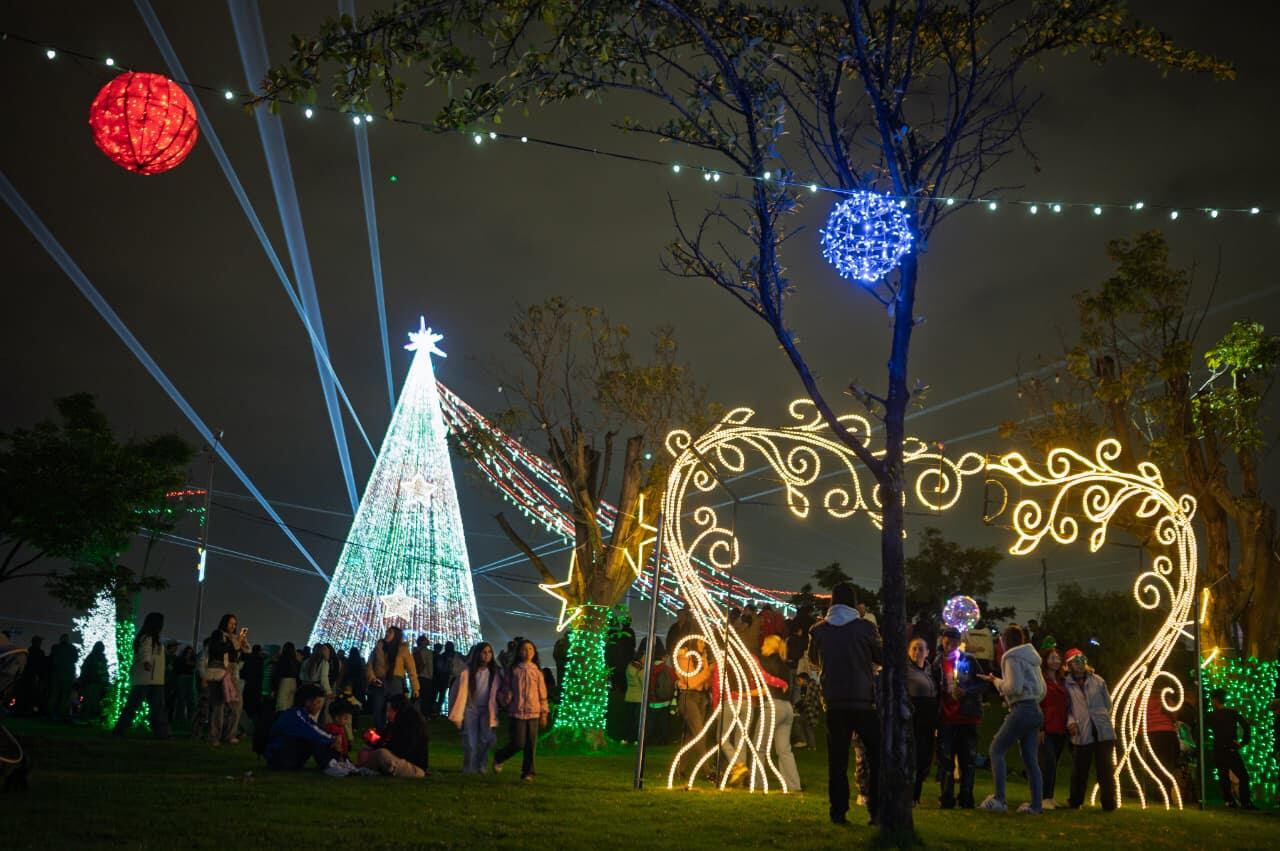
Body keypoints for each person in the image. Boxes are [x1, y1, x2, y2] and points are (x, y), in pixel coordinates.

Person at [809, 581, 882, 826]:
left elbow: (812, 659)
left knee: (837, 760)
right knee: (875, 755)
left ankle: (838, 811)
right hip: (863, 700)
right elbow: (880, 656)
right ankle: (876, 809)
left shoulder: (819, 630)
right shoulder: (865, 628)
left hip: (834, 701)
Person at [977, 624, 1046, 814]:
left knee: (996, 749)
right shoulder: (1032, 658)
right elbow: (1042, 688)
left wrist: (998, 684)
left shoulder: (1011, 658)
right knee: (1030, 759)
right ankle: (1036, 805)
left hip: (1021, 709)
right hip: (1035, 709)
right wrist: (995, 680)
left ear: (1003, 641)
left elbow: (1013, 687)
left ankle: (1000, 799)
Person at [932, 626, 984, 809]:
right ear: (942, 640)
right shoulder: (937, 663)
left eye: (955, 641)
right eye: (948, 640)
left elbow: (982, 683)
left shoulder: (968, 660)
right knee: (946, 761)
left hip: (966, 717)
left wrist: (967, 691)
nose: (951, 644)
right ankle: (946, 798)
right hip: (946, 719)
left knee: (968, 761)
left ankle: (966, 797)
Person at [1063, 648, 1117, 811]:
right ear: (1069, 665)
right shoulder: (1066, 684)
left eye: (1082, 661)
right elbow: (1066, 707)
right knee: (1080, 768)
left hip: (1102, 730)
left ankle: (1109, 803)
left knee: (1105, 769)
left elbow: (1108, 704)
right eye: (1075, 662)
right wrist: (1071, 721)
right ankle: (1075, 801)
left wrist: (1100, 717)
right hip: (1082, 729)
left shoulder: (1098, 680)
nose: (1080, 665)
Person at [263, 683, 356, 777]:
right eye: (318, 702)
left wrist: (333, 737)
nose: (320, 706)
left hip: (285, 757)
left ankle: (338, 763)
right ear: (308, 702)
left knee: (322, 738)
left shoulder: (302, 715)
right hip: (279, 759)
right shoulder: (295, 716)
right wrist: (333, 738)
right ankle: (331, 766)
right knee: (318, 739)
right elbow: (313, 732)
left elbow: (316, 728)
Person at [493, 639, 549, 781]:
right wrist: (506, 698)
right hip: (516, 712)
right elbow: (505, 688)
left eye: (530, 649)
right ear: (519, 652)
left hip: (534, 712)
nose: (527, 652)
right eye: (524, 649)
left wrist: (544, 712)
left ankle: (528, 772)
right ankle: (500, 756)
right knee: (518, 743)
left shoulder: (537, 672)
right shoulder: (513, 671)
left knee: (531, 744)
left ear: (534, 652)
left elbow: (542, 693)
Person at [112, 612, 171, 738]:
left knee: (142, 707)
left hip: (151, 679)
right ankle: (160, 733)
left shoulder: (150, 638)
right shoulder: (148, 638)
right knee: (151, 708)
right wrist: (147, 662)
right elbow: (145, 651)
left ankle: (160, 733)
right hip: (148, 679)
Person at [449, 641, 500, 773]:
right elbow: (457, 691)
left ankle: (481, 764)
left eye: (489, 652)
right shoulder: (467, 672)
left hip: (486, 710)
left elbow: (499, 691)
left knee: (486, 739)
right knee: (470, 742)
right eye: (484, 652)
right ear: (477, 654)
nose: (487, 655)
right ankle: (469, 767)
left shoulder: (494, 672)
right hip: (471, 709)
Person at [671, 623, 713, 781]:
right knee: (700, 735)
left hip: (701, 698)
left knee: (691, 736)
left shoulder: (702, 657)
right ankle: (708, 771)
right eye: (701, 642)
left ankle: (680, 769)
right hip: (688, 698)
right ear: (693, 641)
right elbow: (692, 682)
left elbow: (706, 682)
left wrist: (705, 663)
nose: (703, 644)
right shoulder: (684, 657)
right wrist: (707, 671)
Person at [760, 634, 802, 792]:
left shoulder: (768, 662)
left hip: (772, 706)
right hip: (787, 708)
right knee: (784, 749)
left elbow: (764, 679)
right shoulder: (784, 664)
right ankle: (793, 784)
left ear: (771, 646)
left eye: (764, 644)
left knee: (760, 746)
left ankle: (756, 783)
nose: (762, 647)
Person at [1207, 688, 1256, 809]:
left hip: (1220, 749)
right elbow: (1246, 726)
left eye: (1212, 700)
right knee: (1243, 776)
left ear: (1215, 700)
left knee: (1224, 776)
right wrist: (1243, 742)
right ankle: (1245, 801)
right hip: (1230, 749)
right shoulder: (1232, 713)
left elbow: (1202, 728)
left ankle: (1230, 801)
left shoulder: (1211, 715)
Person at [359, 693, 429, 778]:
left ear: (398, 710)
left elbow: (401, 750)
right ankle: (367, 767)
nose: (387, 715)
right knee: (365, 750)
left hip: (413, 767)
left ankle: (364, 767)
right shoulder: (393, 723)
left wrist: (378, 749)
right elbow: (384, 742)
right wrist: (372, 743)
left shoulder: (411, 724)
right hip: (397, 759)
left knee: (381, 754)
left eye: (390, 711)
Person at [205, 614, 249, 746]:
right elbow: (216, 650)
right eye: (230, 623)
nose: (233, 626)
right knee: (219, 704)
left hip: (233, 672)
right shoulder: (218, 634)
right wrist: (233, 645)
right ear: (224, 623)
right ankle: (214, 736)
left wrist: (242, 642)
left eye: (235, 624)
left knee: (236, 705)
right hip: (221, 670)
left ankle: (229, 734)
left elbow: (247, 651)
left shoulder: (235, 637)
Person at [906, 637, 937, 805]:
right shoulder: (906, 670)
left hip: (929, 717)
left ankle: (916, 794)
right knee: (913, 755)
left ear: (927, 652)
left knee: (924, 755)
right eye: (914, 649)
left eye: (920, 649)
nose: (917, 652)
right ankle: (909, 795)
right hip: (915, 715)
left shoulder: (929, 670)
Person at [369, 626, 418, 731]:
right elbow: (370, 665)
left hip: (395, 681)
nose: (387, 634)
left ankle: (395, 732)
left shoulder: (403, 649)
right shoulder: (379, 647)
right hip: (380, 681)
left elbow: (411, 669)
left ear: (396, 635)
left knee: (396, 709)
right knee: (378, 708)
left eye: (390, 632)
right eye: (387, 632)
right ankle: (380, 731)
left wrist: (415, 687)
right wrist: (372, 678)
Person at [1037, 647, 1068, 809]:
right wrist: (1040, 727)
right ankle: (1042, 797)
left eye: (1058, 658)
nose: (1055, 661)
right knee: (1047, 762)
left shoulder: (1062, 681)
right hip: (1046, 726)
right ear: (1045, 660)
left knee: (1054, 763)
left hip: (1061, 727)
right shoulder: (1042, 680)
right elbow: (1039, 703)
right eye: (1052, 658)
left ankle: (1050, 796)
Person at [47, 634, 78, 722]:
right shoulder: (71, 648)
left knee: (55, 694)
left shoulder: (56, 648)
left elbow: (52, 659)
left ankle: (51, 713)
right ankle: (62, 713)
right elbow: (75, 659)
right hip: (67, 675)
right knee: (65, 695)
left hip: (56, 674)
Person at [300, 643, 334, 721]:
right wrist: (328, 692)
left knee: (304, 711)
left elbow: (301, 675)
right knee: (314, 715)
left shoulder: (306, 661)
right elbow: (324, 678)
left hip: (304, 687)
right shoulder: (324, 663)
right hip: (316, 690)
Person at [78, 641, 110, 722]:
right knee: (94, 701)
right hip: (96, 682)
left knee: (88, 700)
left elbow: (84, 668)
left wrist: (83, 679)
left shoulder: (91, 657)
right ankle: (91, 717)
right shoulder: (101, 658)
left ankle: (86, 717)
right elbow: (103, 671)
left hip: (91, 682)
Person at [792, 671, 820, 750]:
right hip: (807, 709)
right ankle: (811, 745)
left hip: (811, 710)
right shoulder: (805, 686)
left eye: (799, 680)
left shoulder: (811, 685)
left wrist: (796, 705)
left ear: (804, 679)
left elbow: (808, 699)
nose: (798, 682)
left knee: (806, 726)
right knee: (807, 727)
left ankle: (808, 743)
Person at [623, 651, 645, 745]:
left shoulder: (629, 667)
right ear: (640, 658)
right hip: (639, 697)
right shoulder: (640, 669)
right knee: (638, 720)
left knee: (629, 719)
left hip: (629, 696)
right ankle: (636, 739)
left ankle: (627, 738)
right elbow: (644, 683)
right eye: (644, 657)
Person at [272, 642, 300, 711]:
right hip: (294, 683)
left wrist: (274, 688)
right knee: (290, 705)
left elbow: (277, 674)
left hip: (284, 682)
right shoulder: (296, 661)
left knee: (281, 705)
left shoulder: (282, 659)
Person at [414, 636, 434, 717]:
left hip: (418, 676)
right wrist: (431, 676)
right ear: (423, 642)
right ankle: (425, 714)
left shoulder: (416, 651)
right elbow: (430, 665)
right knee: (426, 697)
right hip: (426, 677)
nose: (428, 640)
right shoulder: (428, 652)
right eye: (426, 639)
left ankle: (417, 713)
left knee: (419, 696)